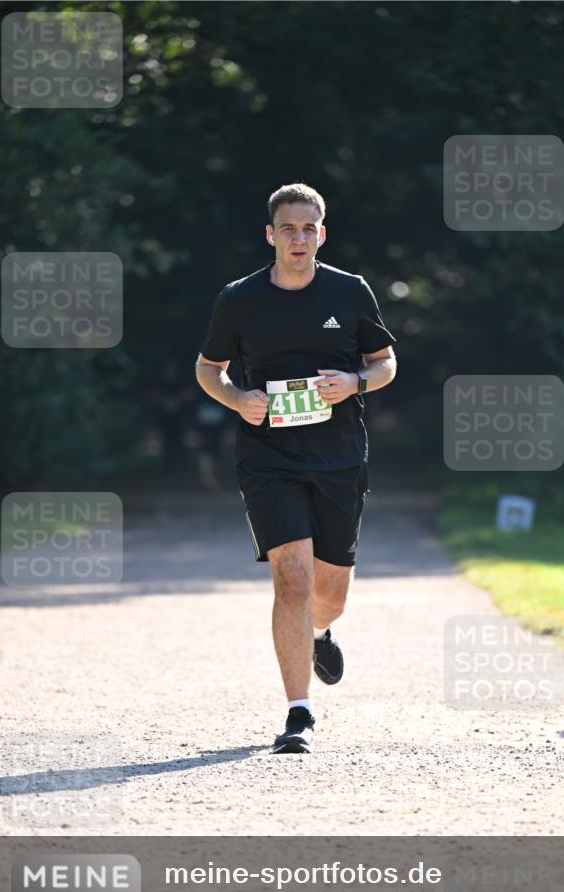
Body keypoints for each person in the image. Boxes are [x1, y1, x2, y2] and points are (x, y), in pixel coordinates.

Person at [195, 182, 397, 753]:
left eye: (309, 228)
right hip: (268, 458)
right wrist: (236, 398)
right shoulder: (239, 299)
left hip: (338, 457)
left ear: (322, 234)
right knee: (292, 580)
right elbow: (210, 369)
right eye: (289, 228)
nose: (299, 238)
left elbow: (385, 363)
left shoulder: (350, 291)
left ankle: (320, 631)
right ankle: (298, 714)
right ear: (270, 235)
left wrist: (354, 381)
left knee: (328, 593)